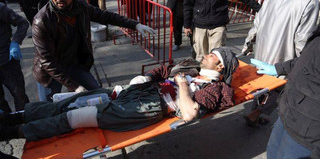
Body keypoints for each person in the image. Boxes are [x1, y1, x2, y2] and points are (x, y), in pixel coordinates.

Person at [0, 47, 238, 142]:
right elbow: (164, 69)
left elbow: (189, 113)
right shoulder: (190, 66)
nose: (205, 54)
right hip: (136, 91)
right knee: (73, 101)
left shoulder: (215, 89)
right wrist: (146, 77)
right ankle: (16, 117)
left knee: (77, 116)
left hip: (151, 105)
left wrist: (181, 84)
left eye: (212, 54)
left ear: (220, 67)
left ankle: (13, 132)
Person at [32, 0, 154, 102]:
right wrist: (74, 87)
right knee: (48, 109)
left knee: (100, 97)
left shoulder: (81, 7)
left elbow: (106, 16)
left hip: (75, 64)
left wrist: (135, 25)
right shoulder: (42, 20)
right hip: (50, 72)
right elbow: (47, 61)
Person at [242, 0, 320, 127]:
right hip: (284, 57)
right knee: (279, 90)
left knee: (262, 85)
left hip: (263, 52)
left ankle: (255, 113)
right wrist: (302, 63)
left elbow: (257, 24)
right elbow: (302, 39)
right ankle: (255, 114)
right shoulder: (310, 2)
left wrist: (248, 44)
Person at [248, 25, 320, 158]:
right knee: (272, 152)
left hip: (308, 133)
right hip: (288, 111)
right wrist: (278, 68)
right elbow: (307, 59)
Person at [184, 0, 261, 62]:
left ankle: (215, 77)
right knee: (201, 59)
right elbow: (188, 4)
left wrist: (260, 9)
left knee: (216, 59)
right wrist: (187, 25)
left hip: (218, 25)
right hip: (199, 26)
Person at [0, 3, 30, 112]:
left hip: (7, 62)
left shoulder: (1, 9)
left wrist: (16, 41)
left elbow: (23, 23)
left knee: (20, 97)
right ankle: (8, 126)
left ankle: (24, 124)